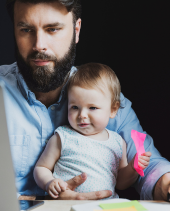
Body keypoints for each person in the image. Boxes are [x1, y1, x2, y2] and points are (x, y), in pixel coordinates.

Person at [0, 0, 170, 207]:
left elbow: (148, 162)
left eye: (53, 29)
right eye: (25, 29)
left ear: (76, 30)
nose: (39, 45)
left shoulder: (106, 99)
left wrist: (168, 182)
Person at [34, 63, 152, 199]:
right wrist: (49, 182)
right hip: (66, 205)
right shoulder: (63, 136)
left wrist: (132, 168)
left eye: (92, 108)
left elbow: (120, 183)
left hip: (105, 209)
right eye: (75, 107)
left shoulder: (118, 143)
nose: (82, 115)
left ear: (113, 110)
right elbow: (41, 168)